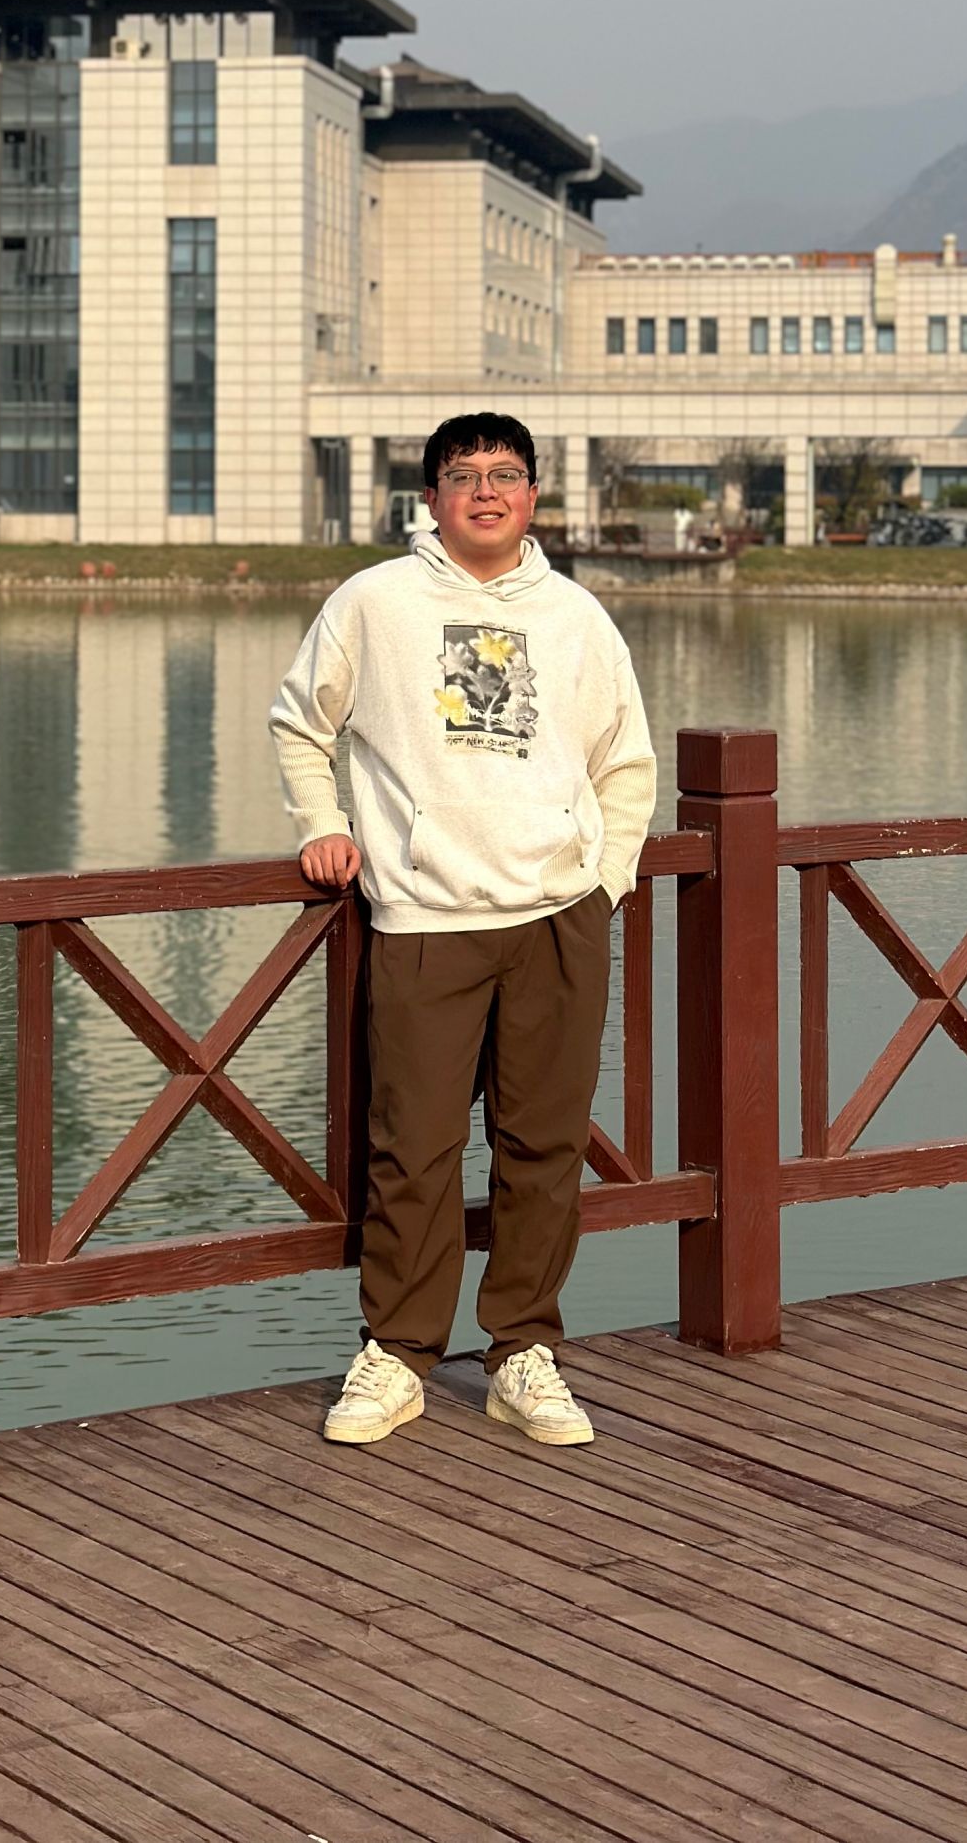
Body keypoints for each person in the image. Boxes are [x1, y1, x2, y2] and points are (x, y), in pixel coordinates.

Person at [270, 412, 655, 1450]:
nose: (486, 491)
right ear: (431, 498)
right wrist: (322, 825)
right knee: (412, 1149)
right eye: (463, 475)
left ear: (532, 496)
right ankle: (397, 1354)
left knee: (544, 1147)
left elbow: (626, 763)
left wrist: (603, 882)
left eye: (505, 474)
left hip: (555, 917)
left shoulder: (576, 618)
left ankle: (523, 1351)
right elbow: (302, 722)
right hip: (424, 916)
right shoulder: (374, 601)